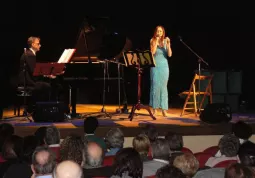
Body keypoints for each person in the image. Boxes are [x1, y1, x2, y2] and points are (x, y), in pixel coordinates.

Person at [18, 36, 56, 113]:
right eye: (38, 44)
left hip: (28, 80)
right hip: (28, 82)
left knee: (45, 84)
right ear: (32, 44)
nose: (40, 45)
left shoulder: (29, 53)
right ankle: (42, 109)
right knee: (47, 86)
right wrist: (47, 75)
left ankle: (37, 108)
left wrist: (46, 74)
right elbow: (34, 71)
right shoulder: (30, 55)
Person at [149, 25, 172, 117]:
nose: (159, 33)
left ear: (163, 33)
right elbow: (152, 53)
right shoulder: (152, 40)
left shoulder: (166, 41)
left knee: (163, 87)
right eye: (158, 31)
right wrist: (156, 42)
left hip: (164, 66)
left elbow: (169, 55)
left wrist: (169, 44)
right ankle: (154, 109)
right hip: (155, 66)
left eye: (161, 31)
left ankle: (164, 109)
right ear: (155, 32)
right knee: (155, 87)